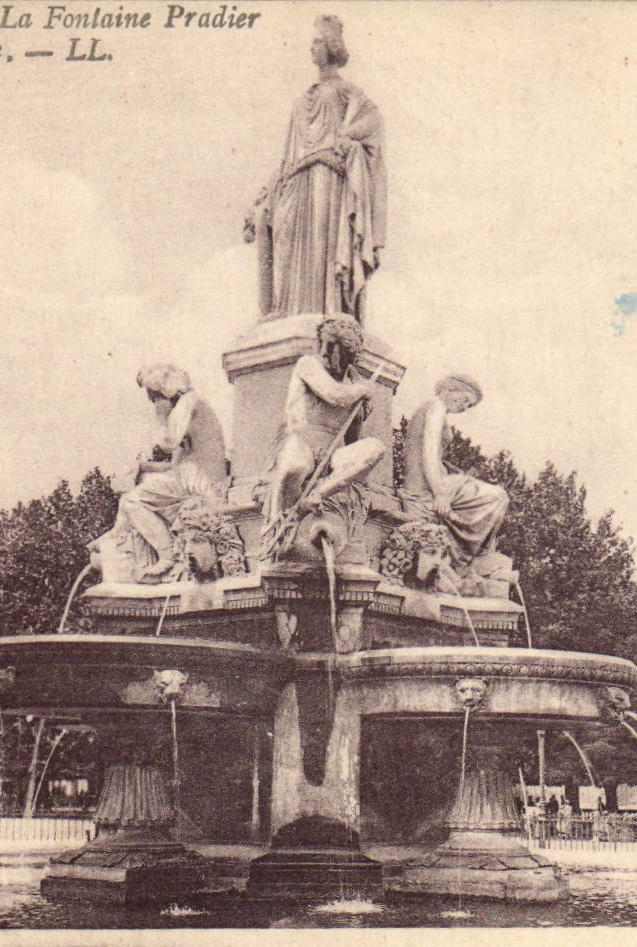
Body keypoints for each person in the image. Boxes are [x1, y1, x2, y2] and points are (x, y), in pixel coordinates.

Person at [246, 15, 385, 320]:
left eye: (318, 40)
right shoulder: (302, 98)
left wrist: (346, 137)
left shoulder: (346, 91)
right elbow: (288, 154)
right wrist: (265, 194)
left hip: (326, 179)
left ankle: (327, 309)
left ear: (332, 46)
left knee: (321, 249)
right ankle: (285, 310)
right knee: (284, 246)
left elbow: (373, 121)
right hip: (295, 181)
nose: (312, 46)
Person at [96, 364, 228, 581]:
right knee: (145, 484)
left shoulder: (186, 404)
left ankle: (166, 557)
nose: (152, 401)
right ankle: (122, 541)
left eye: (153, 396)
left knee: (132, 500)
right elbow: (176, 462)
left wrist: (161, 416)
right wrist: (144, 468)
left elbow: (167, 443)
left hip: (200, 481)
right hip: (193, 475)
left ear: (162, 391)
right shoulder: (191, 404)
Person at [262, 317, 386, 529]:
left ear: (348, 352)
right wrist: (360, 391)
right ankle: (281, 522)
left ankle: (318, 493)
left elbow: (352, 437)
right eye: (322, 343)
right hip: (303, 443)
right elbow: (334, 394)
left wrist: (361, 413)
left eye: (332, 346)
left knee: (375, 448)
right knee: (295, 467)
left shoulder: (353, 380)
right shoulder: (309, 364)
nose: (324, 350)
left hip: (332, 454)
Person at [402, 374, 511, 560]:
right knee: (498, 497)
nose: (464, 407)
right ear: (451, 389)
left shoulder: (436, 409)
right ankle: (475, 557)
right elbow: (428, 452)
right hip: (427, 486)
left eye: (469, 406)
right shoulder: (436, 407)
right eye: (466, 400)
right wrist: (439, 493)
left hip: (435, 482)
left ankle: (474, 556)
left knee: (494, 496)